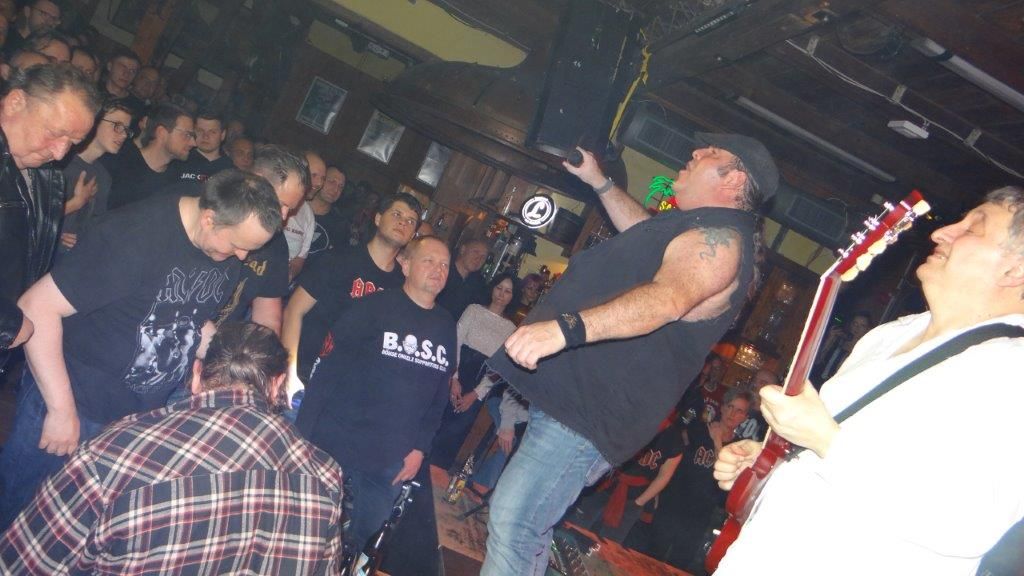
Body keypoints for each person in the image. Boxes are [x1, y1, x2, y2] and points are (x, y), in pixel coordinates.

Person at [480, 133, 778, 575]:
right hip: (580, 402)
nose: (694, 153)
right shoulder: (696, 231)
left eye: (710, 153)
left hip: (591, 410)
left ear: (735, 180)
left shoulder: (723, 241)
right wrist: (600, 182)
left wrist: (565, 330)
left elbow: (666, 299)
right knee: (525, 526)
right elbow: (643, 232)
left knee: (514, 521)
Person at [713, 186, 1024, 575]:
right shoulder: (887, 335)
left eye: (973, 228)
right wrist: (772, 461)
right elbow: (838, 463)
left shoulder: (1012, 370)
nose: (941, 232)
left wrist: (826, 439)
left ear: (1016, 270)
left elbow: (971, 523)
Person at [0, 170, 281, 531]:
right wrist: (60, 410)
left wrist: (241, 365)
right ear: (209, 219)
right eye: (239, 244)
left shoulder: (222, 254)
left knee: (70, 529)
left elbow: (190, 319)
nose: (242, 256)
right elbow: (37, 307)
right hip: (74, 404)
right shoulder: (132, 236)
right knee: (17, 513)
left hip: (132, 420)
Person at [0, 322, 345, 575]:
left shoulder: (117, 452)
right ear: (276, 385)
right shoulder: (324, 475)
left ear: (196, 375)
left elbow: (24, 563)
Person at [296, 235, 456, 553]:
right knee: (308, 530)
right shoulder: (372, 307)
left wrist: (420, 448)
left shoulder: (446, 324)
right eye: (429, 261)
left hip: (390, 456)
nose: (438, 270)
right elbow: (327, 372)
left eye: (444, 265)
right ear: (405, 265)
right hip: (337, 440)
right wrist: (301, 437)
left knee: (367, 541)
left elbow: (439, 394)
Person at [0, 63, 98, 357]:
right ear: (15, 102)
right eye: (55, 133)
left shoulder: (47, 179)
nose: (60, 152)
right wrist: (7, 323)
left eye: (73, 143)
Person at [282, 192, 421, 390]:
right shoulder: (339, 259)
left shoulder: (402, 285)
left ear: (413, 235)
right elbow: (294, 310)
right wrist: (289, 371)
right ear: (378, 218)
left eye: (410, 221)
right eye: (397, 214)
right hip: (305, 373)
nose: (403, 223)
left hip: (350, 387)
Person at [648, 389, 751, 572]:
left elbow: (730, 481)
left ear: (745, 417)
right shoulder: (697, 429)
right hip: (674, 501)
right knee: (651, 556)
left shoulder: (739, 448)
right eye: (730, 406)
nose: (732, 413)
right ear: (722, 407)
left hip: (701, 513)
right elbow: (669, 458)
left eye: (739, 411)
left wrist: (717, 442)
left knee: (679, 563)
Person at [213, 144, 309, 334]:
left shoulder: (276, 244)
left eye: (290, 209)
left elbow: (268, 318)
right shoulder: (209, 211)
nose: (284, 216)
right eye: (281, 204)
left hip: (219, 342)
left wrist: (264, 349)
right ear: (256, 182)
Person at [430, 273, 518, 468]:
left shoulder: (511, 328)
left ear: (513, 296)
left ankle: (437, 473)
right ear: (492, 288)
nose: (501, 294)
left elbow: (501, 366)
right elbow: (456, 341)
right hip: (456, 370)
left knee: (454, 435)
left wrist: (476, 394)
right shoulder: (474, 310)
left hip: (481, 381)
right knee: (433, 422)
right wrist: (453, 378)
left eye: (507, 291)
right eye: (499, 288)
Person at [572, 415, 684, 544]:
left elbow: (664, 476)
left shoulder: (674, 440)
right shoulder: (635, 419)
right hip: (603, 484)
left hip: (632, 498)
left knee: (607, 545)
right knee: (574, 528)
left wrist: (639, 502)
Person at [58, 97, 135, 253]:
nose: (123, 135)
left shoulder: (104, 176)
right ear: (95, 121)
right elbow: (31, 214)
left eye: (126, 130)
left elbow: (94, 225)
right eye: (117, 126)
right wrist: (75, 203)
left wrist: (83, 238)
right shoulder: (61, 160)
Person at [103, 101, 194, 209]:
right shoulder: (119, 162)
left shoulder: (177, 180)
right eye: (187, 135)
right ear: (161, 133)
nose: (193, 143)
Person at [283, 150, 323, 280]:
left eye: (322, 178)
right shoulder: (272, 197)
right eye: (314, 175)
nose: (319, 183)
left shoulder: (308, 215)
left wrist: (287, 276)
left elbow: (299, 260)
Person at [810, 311, 873, 384]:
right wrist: (830, 339)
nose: (857, 327)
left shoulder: (863, 350)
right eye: (855, 323)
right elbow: (817, 360)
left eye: (862, 326)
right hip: (816, 380)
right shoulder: (838, 339)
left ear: (868, 330)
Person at [172, 108, 233, 182]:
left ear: (222, 135)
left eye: (212, 132)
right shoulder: (179, 160)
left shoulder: (229, 170)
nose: (205, 136)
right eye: (200, 130)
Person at [436, 238, 489, 319]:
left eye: (483, 257)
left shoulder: (479, 285)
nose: (478, 259)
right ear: (463, 250)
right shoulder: (442, 270)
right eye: (475, 252)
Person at [308, 165, 350, 255]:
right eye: (332, 182)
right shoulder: (295, 206)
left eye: (341, 186)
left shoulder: (340, 224)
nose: (336, 189)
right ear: (321, 180)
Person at [733, 367, 777, 441]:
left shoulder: (772, 421)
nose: (755, 384)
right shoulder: (734, 405)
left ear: (773, 390)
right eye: (754, 380)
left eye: (763, 382)